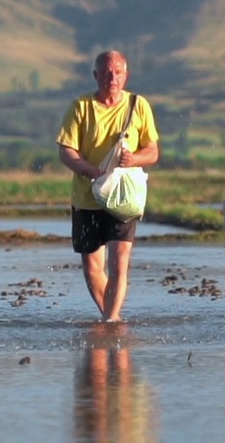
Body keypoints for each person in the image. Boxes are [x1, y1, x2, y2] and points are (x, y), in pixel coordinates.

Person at [56, 50, 159, 323]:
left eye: (117, 72)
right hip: (87, 197)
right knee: (92, 268)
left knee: (119, 260)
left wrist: (134, 159)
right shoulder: (80, 107)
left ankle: (111, 322)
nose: (111, 78)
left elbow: (152, 151)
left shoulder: (139, 106)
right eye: (106, 72)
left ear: (126, 75)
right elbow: (66, 151)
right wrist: (90, 171)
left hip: (124, 198)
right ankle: (110, 318)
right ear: (95, 75)